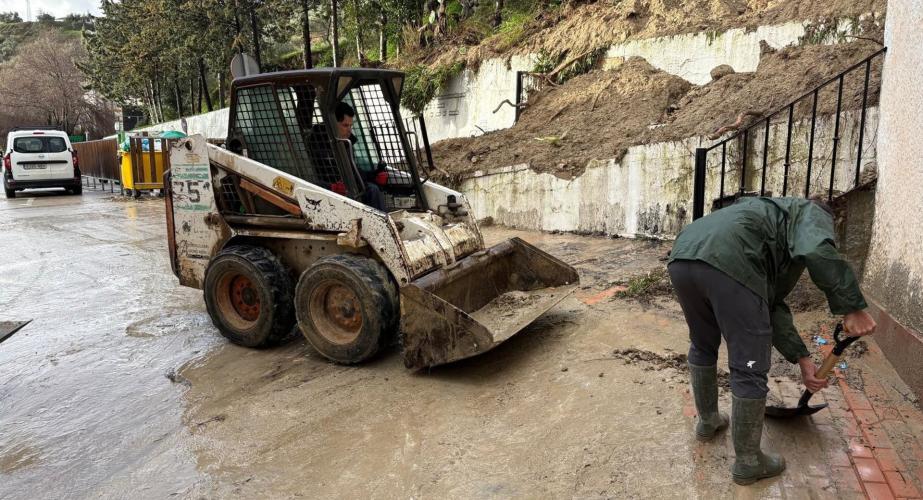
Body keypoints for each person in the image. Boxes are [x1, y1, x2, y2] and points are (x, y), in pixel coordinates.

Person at [667, 196, 877, 485]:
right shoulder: (811, 211)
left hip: (683, 256)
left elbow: (770, 303)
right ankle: (749, 462)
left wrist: (803, 359)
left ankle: (707, 422)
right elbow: (816, 248)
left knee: (703, 345)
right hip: (729, 261)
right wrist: (852, 307)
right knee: (749, 364)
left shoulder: (763, 218)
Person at [329, 102, 387, 211]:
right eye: (345, 125)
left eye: (351, 125)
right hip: (331, 193)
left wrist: (375, 175)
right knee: (372, 190)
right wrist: (330, 187)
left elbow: (354, 171)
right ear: (332, 123)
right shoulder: (320, 144)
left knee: (372, 189)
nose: (349, 130)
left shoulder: (345, 143)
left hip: (349, 188)